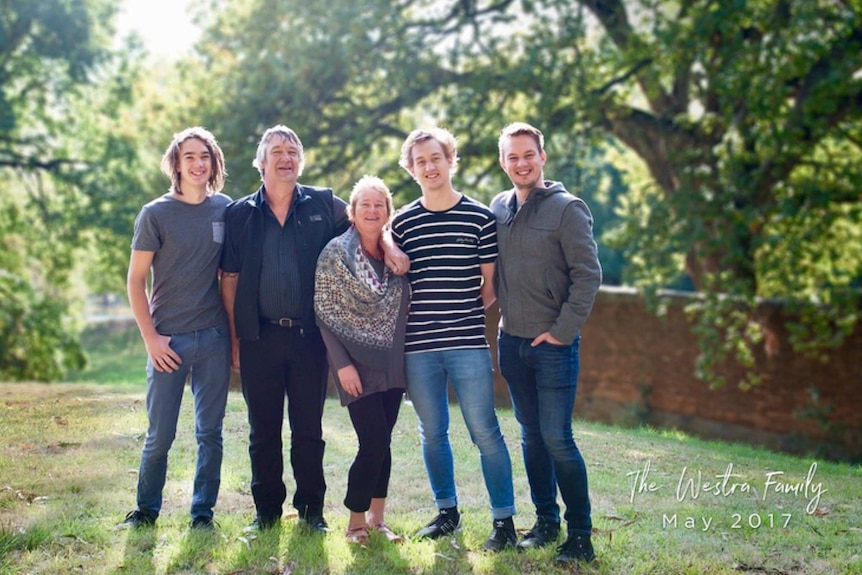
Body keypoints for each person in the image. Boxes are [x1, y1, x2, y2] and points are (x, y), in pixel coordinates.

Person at [220, 125, 408, 533]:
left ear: (300, 160)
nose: (285, 158)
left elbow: (368, 218)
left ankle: (311, 513)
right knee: (263, 430)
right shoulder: (238, 214)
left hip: (310, 340)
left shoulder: (323, 203)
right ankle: (266, 513)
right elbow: (230, 278)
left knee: (309, 429)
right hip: (258, 338)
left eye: (292, 151)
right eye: (277, 151)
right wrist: (235, 335)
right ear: (261, 162)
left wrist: (390, 244)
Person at [391, 127, 517, 552]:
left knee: (485, 432)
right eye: (420, 161)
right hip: (418, 349)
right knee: (432, 432)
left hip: (467, 345)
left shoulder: (480, 218)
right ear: (412, 170)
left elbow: (490, 286)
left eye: (435, 158)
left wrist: (458, 318)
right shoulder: (403, 222)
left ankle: (504, 523)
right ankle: (447, 513)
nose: (429, 167)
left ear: (450, 161)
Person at [491, 122, 602, 563]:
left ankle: (580, 535)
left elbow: (588, 276)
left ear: (542, 156)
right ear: (503, 162)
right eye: (512, 156)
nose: (521, 163)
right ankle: (546, 522)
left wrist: (561, 333)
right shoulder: (498, 208)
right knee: (532, 438)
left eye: (528, 154)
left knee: (558, 438)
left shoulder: (568, 209)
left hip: (553, 348)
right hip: (511, 344)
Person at [123, 126, 232, 530]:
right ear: (176, 163)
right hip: (168, 340)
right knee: (160, 436)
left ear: (213, 162)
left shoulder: (225, 209)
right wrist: (151, 339)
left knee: (211, 433)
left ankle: (202, 514)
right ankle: (146, 511)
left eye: (204, 156)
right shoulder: (155, 214)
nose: (198, 163)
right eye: (189, 156)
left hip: (214, 338)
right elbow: (135, 280)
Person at [314, 175, 410, 545]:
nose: (372, 210)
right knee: (371, 441)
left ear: (387, 212)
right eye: (364, 205)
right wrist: (342, 365)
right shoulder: (335, 254)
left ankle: (378, 520)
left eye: (379, 205)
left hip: (392, 363)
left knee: (383, 441)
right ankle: (354, 523)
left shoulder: (394, 255)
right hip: (354, 365)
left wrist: (389, 244)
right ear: (351, 213)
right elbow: (324, 313)